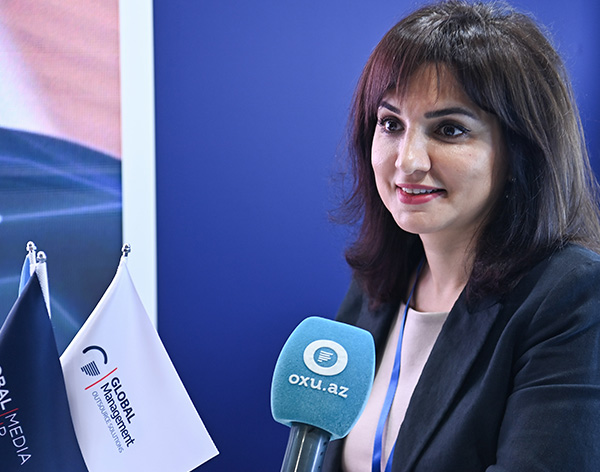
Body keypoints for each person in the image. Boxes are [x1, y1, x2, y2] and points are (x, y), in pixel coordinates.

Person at [321, 1, 600, 471]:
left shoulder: (574, 298)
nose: (408, 160)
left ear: (520, 151)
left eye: (449, 130)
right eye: (391, 124)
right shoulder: (377, 286)